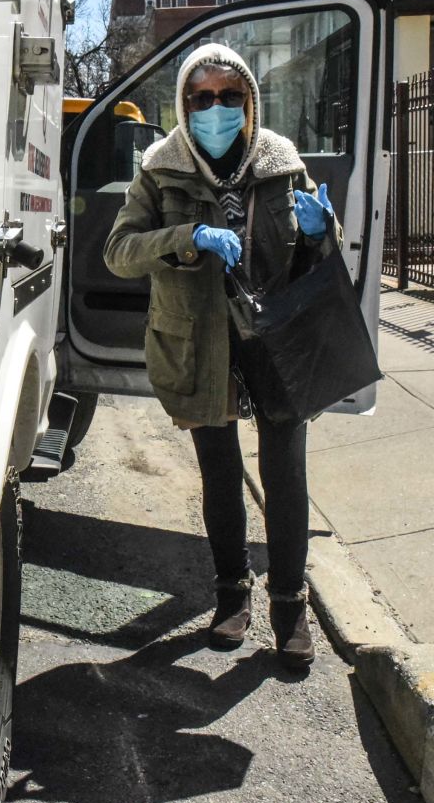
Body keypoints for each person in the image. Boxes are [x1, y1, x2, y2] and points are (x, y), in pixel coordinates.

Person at [103, 44, 337, 670]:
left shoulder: (282, 163)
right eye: (201, 97)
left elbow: (318, 254)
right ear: (184, 103)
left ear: (249, 102)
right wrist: (187, 238)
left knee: (286, 470)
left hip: (275, 335)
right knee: (219, 467)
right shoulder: (160, 168)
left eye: (229, 97)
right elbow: (119, 251)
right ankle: (231, 593)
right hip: (198, 338)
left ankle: (290, 602)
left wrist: (321, 231)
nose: (216, 108)